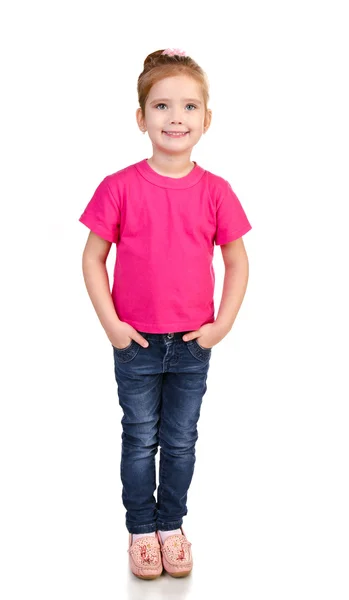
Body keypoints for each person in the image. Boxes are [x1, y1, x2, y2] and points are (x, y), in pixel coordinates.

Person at [78, 47, 252, 580]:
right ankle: (139, 530)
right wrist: (112, 324)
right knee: (139, 437)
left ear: (207, 119)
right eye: (161, 106)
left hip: (193, 342)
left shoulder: (217, 191)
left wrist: (221, 325)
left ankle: (171, 526)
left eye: (189, 107)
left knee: (180, 439)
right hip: (136, 343)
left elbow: (237, 260)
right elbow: (92, 257)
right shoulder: (119, 187)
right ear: (141, 118)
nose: (175, 117)